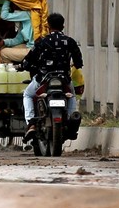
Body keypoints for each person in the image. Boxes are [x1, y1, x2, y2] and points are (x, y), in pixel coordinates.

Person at [21, 13, 83, 141]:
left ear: (48, 26)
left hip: (43, 79)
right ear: (63, 26)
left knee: (27, 94)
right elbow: (78, 62)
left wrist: (24, 65)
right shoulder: (69, 41)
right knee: (71, 94)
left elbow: (28, 60)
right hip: (64, 79)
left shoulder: (42, 42)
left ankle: (31, 124)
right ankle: (71, 118)